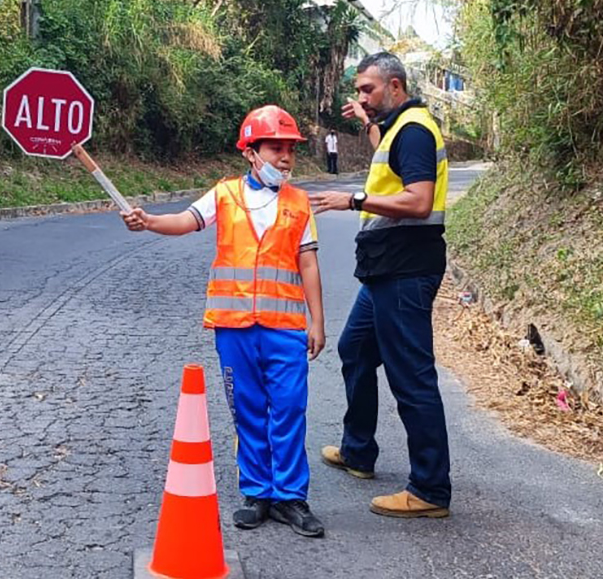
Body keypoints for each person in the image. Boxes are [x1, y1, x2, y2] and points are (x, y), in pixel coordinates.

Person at [121, 105, 327, 537]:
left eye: (290, 149)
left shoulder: (299, 202)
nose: (286, 158)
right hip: (234, 328)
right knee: (248, 410)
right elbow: (185, 221)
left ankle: (291, 497)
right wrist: (150, 221)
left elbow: (307, 262)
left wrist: (318, 321)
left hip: (286, 328)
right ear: (251, 152)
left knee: (289, 409)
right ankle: (257, 493)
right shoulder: (224, 194)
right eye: (276, 148)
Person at [309, 52, 452, 518]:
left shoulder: (413, 131)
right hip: (386, 269)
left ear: (395, 85)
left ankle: (430, 489)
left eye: (367, 90)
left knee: (411, 376)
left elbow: (418, 199)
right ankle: (358, 451)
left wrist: (352, 199)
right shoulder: (398, 127)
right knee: (355, 349)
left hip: (406, 270)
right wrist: (368, 121)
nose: (361, 97)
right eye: (357, 91)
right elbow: (387, 163)